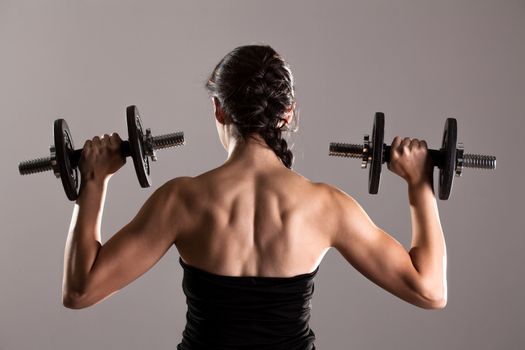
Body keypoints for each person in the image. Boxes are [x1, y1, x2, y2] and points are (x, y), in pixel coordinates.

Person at [61, 45, 447, 349]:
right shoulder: (327, 206)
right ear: (287, 113)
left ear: (218, 109)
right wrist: (419, 183)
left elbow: (80, 292)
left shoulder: (181, 200)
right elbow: (430, 291)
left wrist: (93, 181)